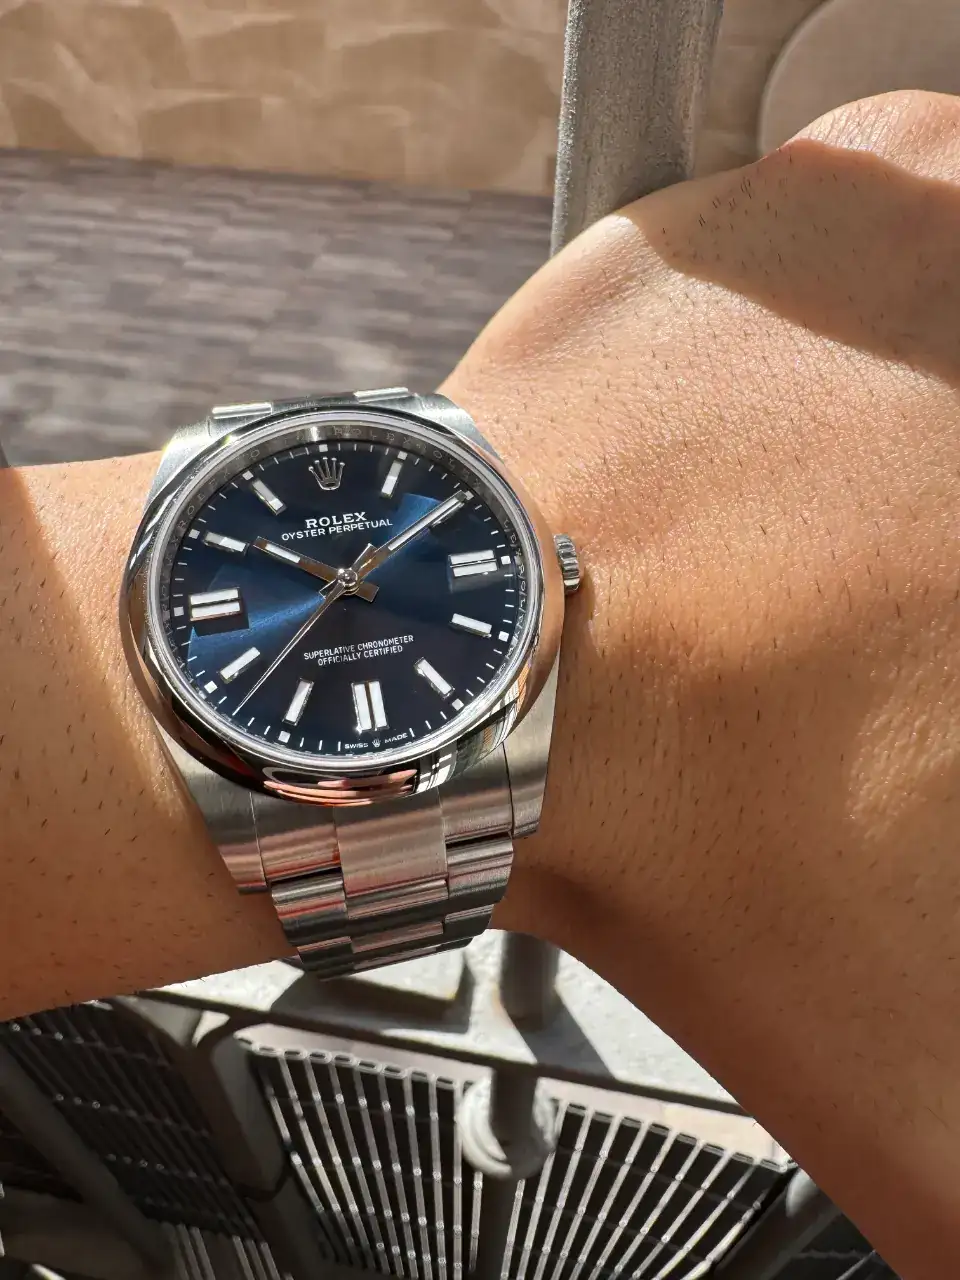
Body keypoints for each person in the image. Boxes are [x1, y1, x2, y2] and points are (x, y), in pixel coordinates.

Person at [1, 88, 958, 1274]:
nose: (350, 582)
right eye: (333, 577)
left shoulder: (512, 593)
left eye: (364, 570)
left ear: (556, 570)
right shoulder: (202, 618)